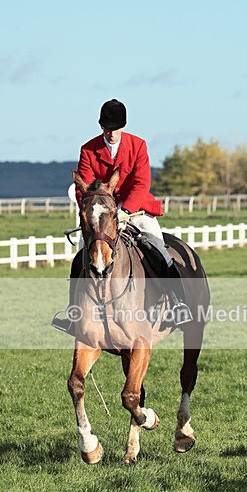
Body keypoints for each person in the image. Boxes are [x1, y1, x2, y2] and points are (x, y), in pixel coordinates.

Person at [52, 99, 191, 334]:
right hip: (102, 215)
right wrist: (93, 211)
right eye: (107, 128)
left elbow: (141, 183)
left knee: (158, 247)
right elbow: (82, 187)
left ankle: (177, 304)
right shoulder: (88, 149)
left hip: (135, 209)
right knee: (81, 255)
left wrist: (125, 210)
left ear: (123, 126)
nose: (111, 133)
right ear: (101, 127)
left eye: (115, 128)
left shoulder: (138, 145)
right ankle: (74, 312)